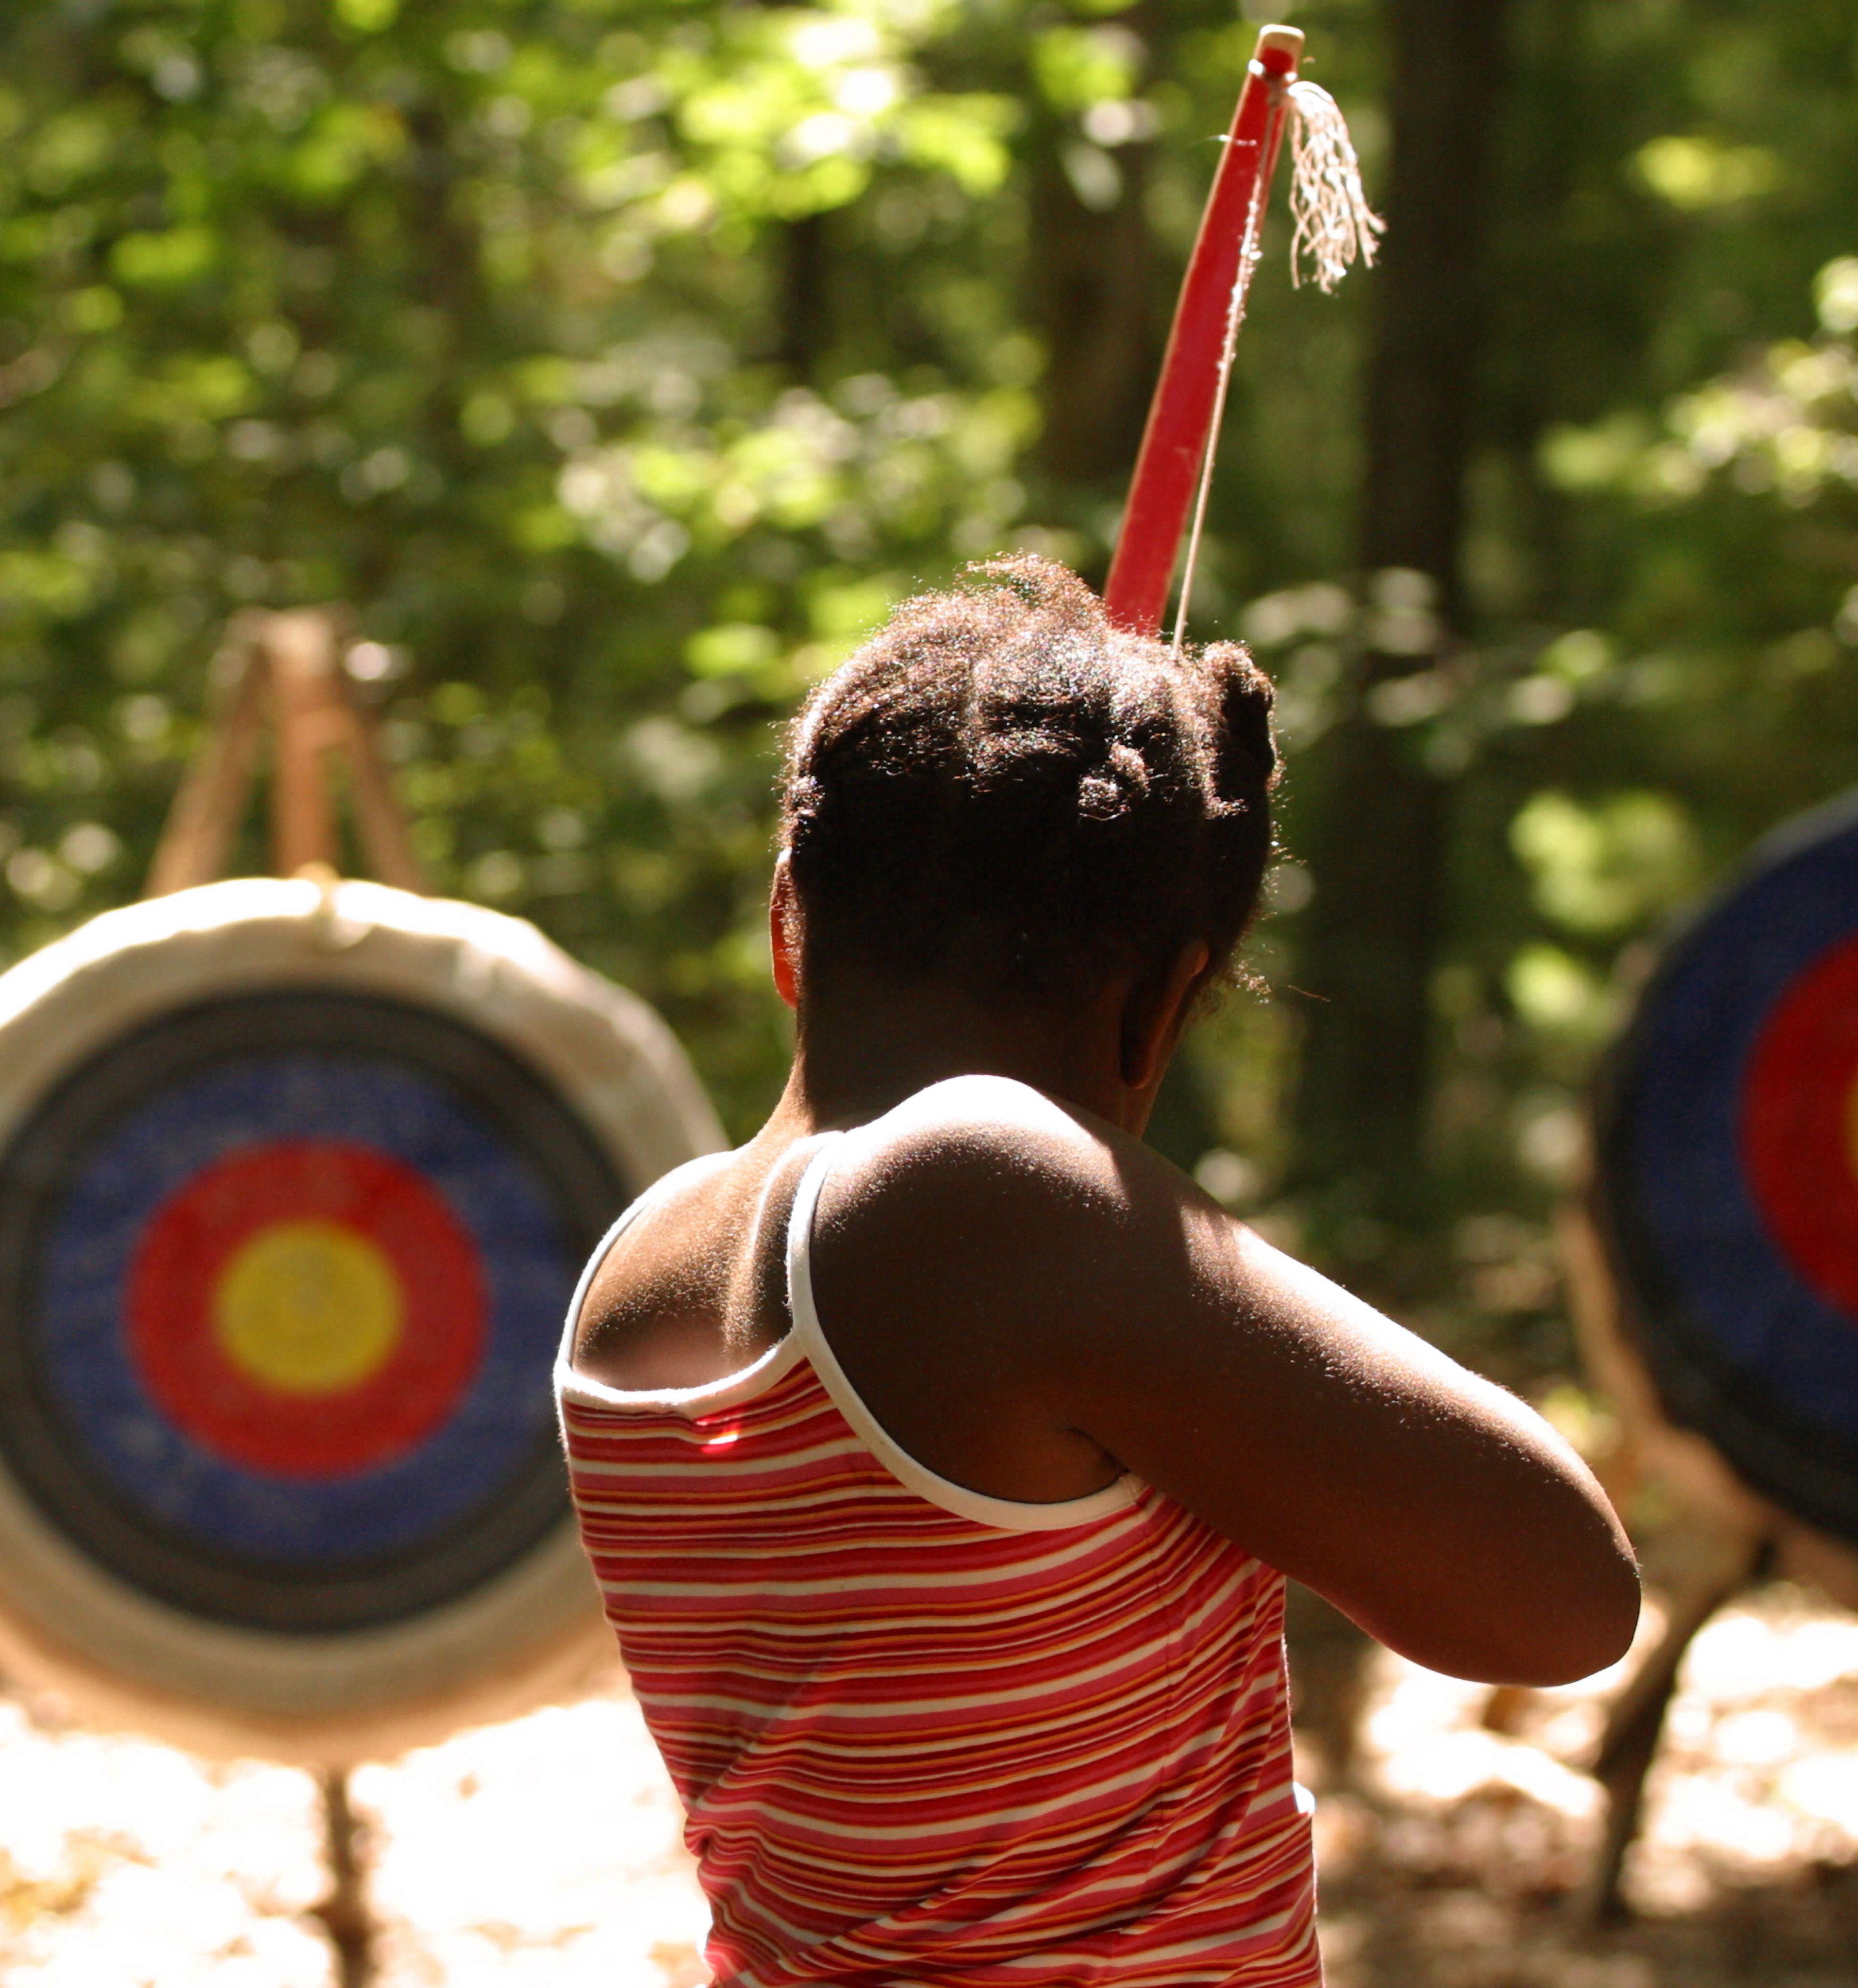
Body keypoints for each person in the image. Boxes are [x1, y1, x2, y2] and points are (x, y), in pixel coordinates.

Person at [556, 557, 1637, 1987]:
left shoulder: (648, 1258)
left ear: (784, 925)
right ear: (1162, 1002)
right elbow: (1567, 1594)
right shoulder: (984, 1191)